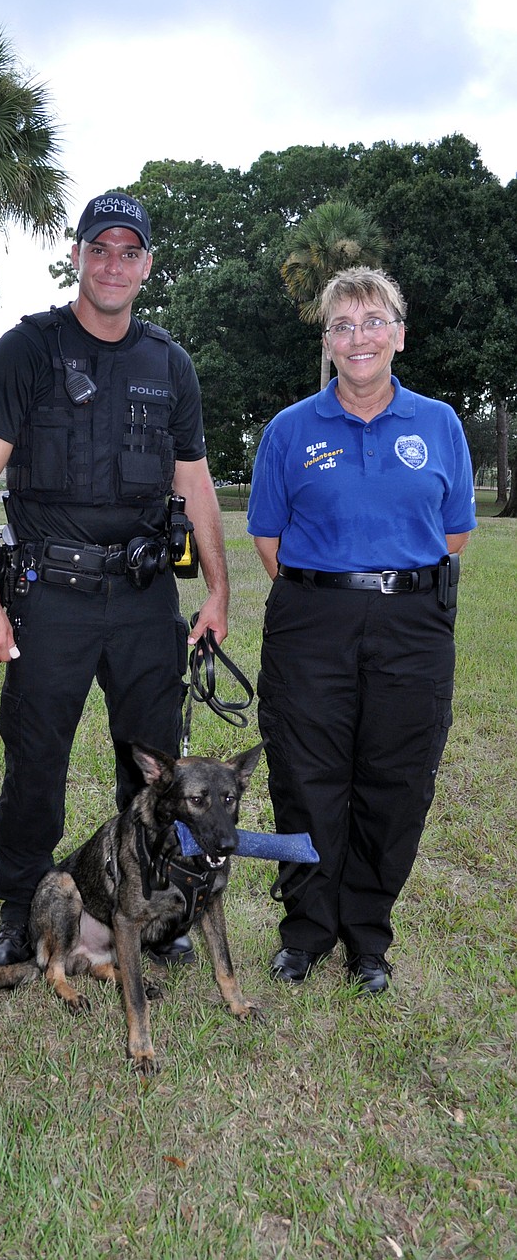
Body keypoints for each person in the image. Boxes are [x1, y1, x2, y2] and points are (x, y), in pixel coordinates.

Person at [0, 190, 229, 967]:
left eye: (129, 251)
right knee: (35, 759)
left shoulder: (168, 362)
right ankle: (20, 908)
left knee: (154, 767)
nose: (113, 263)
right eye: (98, 248)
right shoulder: (28, 350)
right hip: (52, 597)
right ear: (76, 256)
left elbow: (196, 481)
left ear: (147, 264)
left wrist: (217, 589)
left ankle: (154, 904)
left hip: (145, 599)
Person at [247, 266, 476, 995]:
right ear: (328, 342)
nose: (360, 336)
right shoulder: (289, 430)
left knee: (397, 779)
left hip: (414, 623)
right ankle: (307, 932)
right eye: (343, 325)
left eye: (374, 321)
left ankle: (368, 937)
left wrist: (389, 585)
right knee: (307, 777)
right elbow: (270, 543)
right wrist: (340, 588)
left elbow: (455, 531)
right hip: (313, 619)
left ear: (399, 335)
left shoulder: (439, 423)